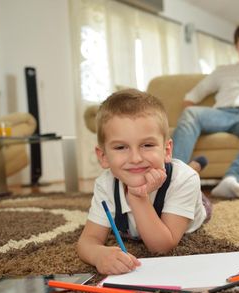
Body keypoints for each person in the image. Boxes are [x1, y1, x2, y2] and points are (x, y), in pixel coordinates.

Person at [77, 89, 211, 275]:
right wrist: (98, 255)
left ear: (166, 150)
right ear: (103, 156)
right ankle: (194, 164)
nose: (136, 158)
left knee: (191, 176)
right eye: (121, 147)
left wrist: (137, 197)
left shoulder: (184, 180)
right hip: (166, 179)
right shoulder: (105, 184)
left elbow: (162, 247)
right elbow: (87, 240)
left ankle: (194, 167)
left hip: (189, 200)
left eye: (147, 145)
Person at [172, 23, 239, 200]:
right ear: (236, 46)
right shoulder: (223, 71)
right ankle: (172, 177)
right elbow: (193, 95)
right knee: (191, 113)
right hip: (220, 114)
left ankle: (234, 180)